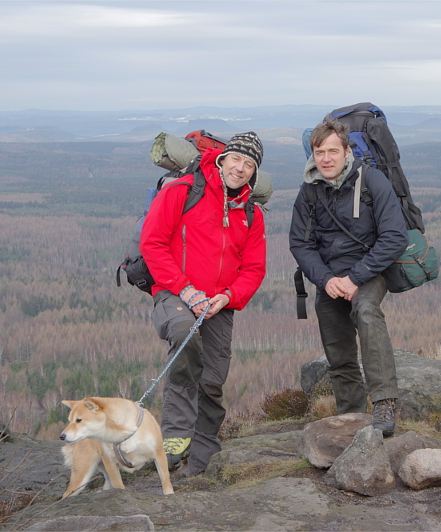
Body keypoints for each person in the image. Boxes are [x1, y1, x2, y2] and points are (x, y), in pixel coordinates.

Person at [140, 132, 266, 475]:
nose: (240, 168)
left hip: (219, 303)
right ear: (222, 159)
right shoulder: (183, 191)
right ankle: (176, 435)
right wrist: (187, 290)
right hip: (174, 292)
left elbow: (254, 269)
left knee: (212, 377)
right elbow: (152, 244)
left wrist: (228, 296)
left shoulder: (251, 213)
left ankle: (203, 463)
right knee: (183, 335)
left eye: (249, 164)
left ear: (253, 173)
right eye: (236, 159)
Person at [289, 119, 408, 436]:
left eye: (332, 151)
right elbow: (300, 243)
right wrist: (326, 279)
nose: (326, 158)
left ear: (346, 151)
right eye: (319, 152)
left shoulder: (373, 181)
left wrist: (355, 278)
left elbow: (394, 237)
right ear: (312, 154)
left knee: (366, 311)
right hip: (328, 277)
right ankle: (351, 418)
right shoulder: (310, 191)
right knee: (337, 350)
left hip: (370, 271)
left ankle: (383, 401)